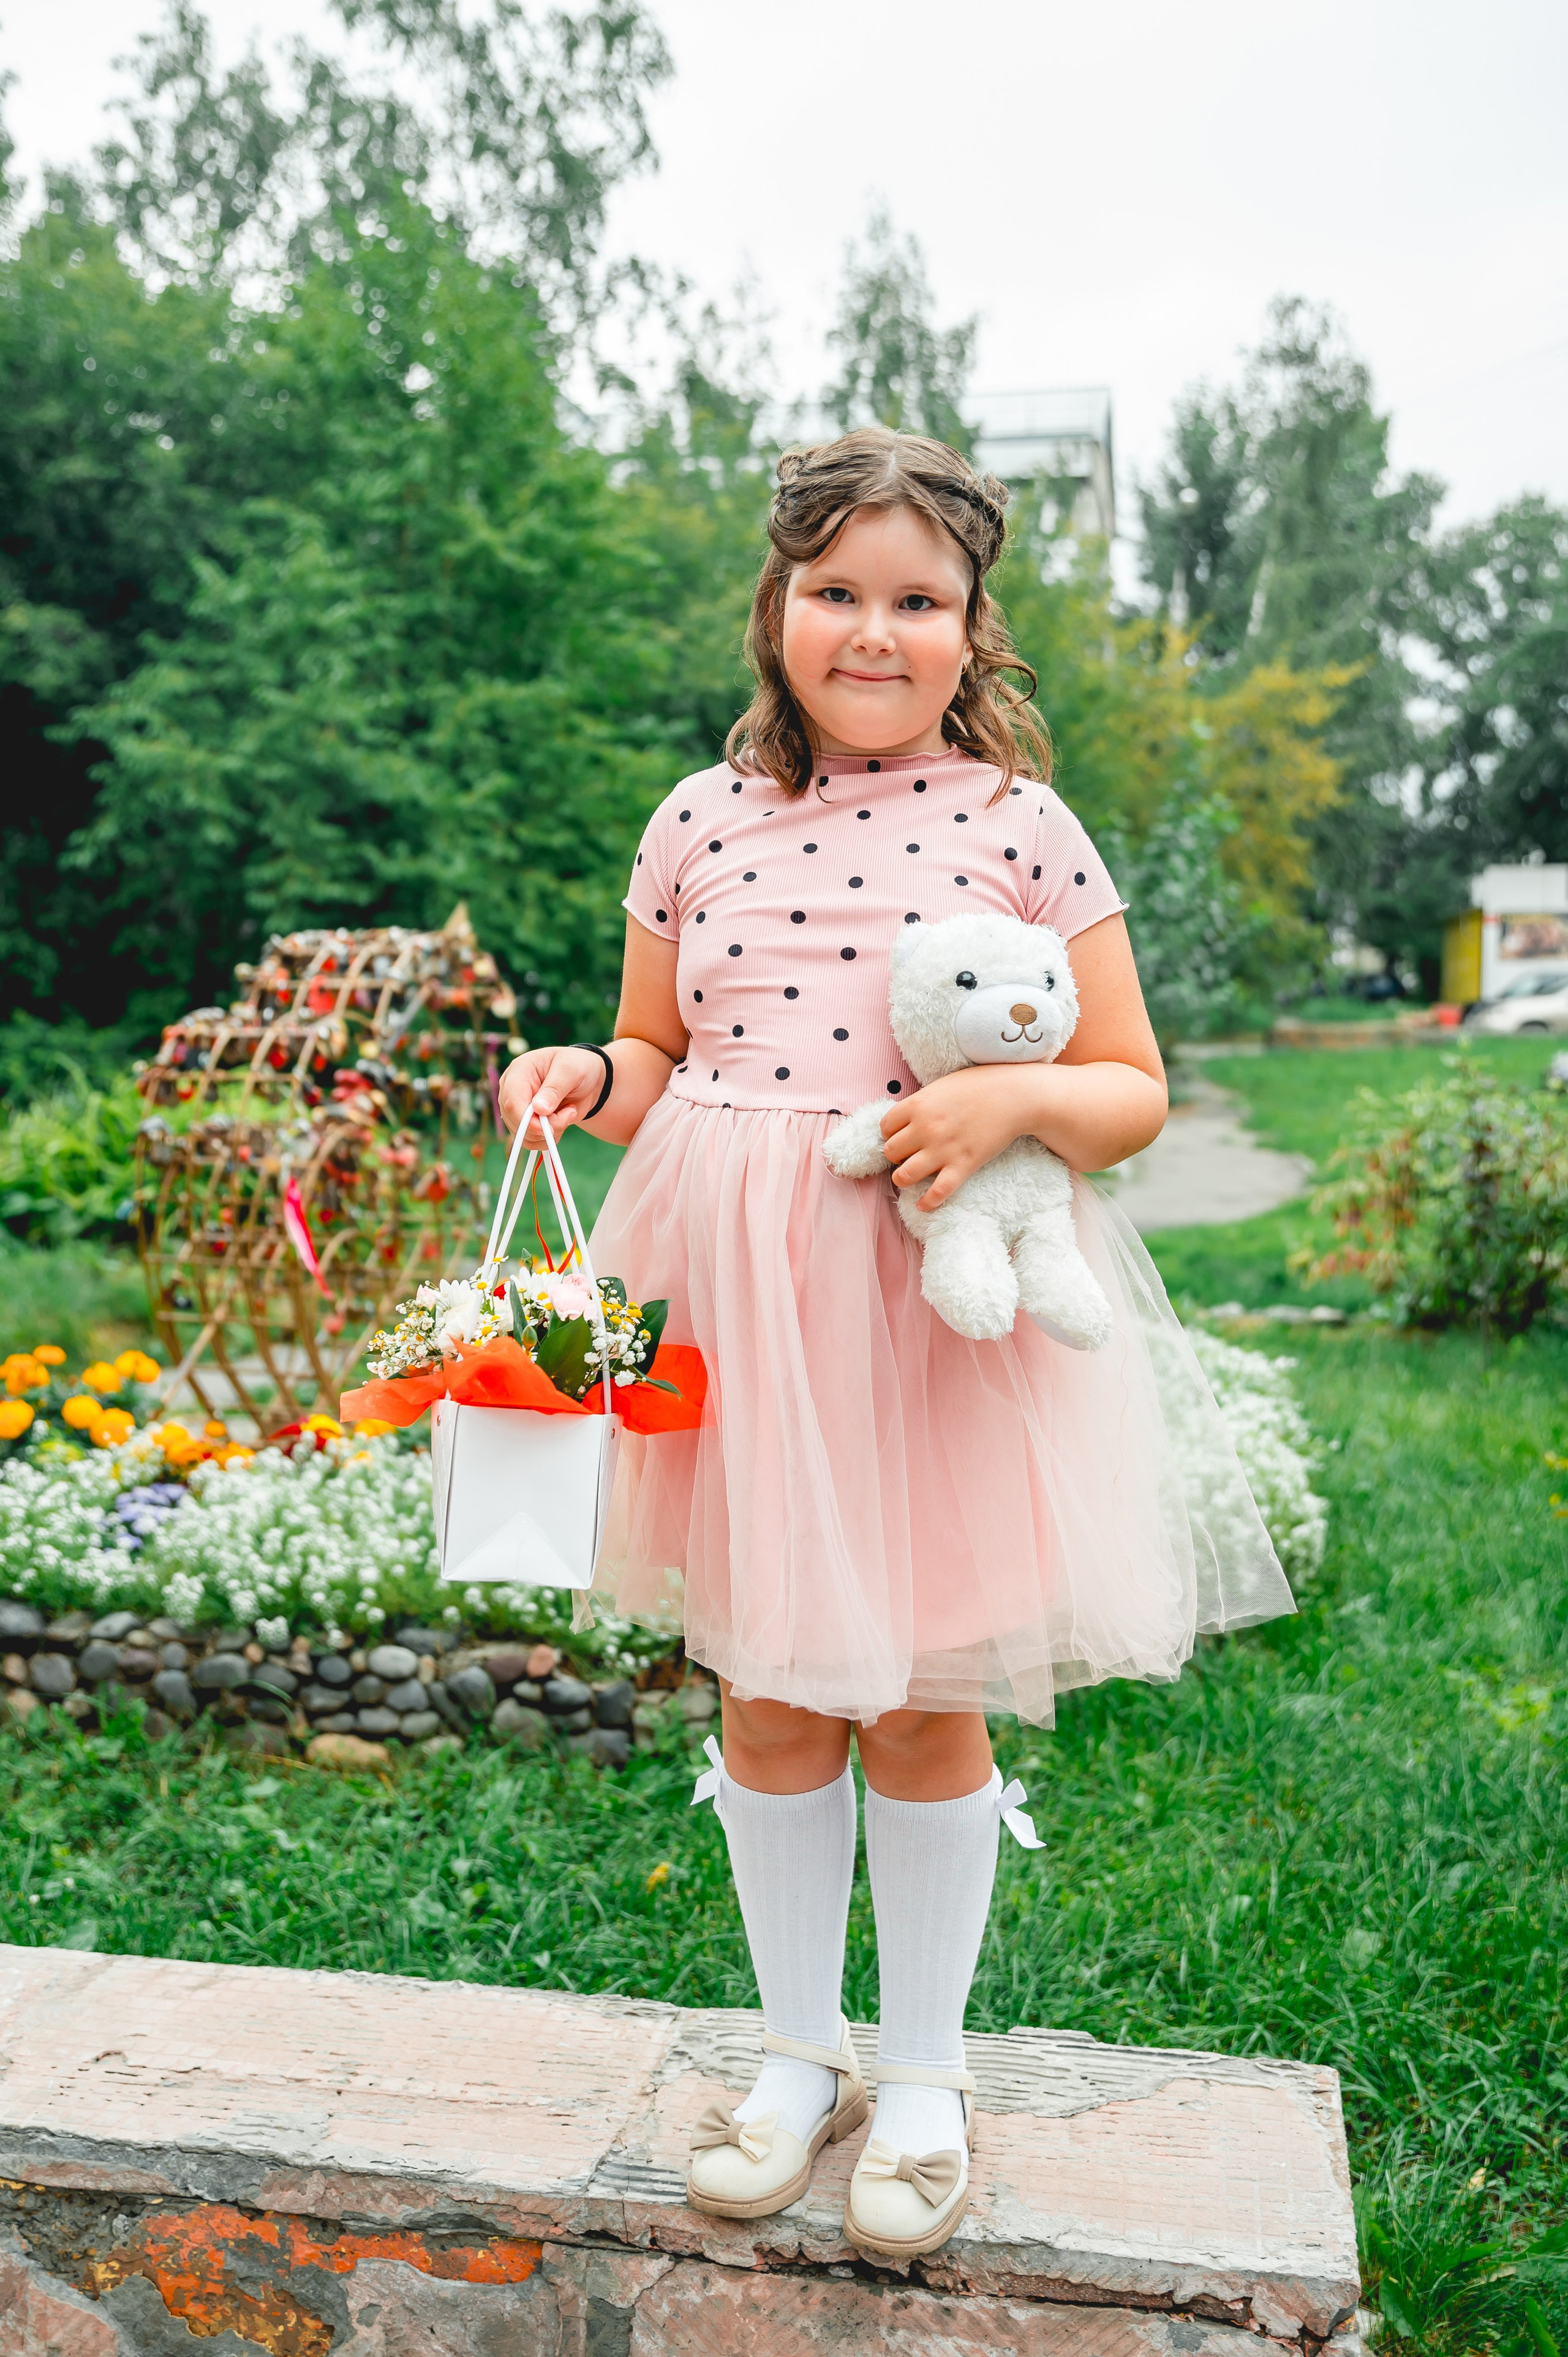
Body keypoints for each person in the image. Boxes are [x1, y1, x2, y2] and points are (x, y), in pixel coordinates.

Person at [498, 426, 1294, 2260]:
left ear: (971, 625)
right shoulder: (697, 820)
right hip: (748, 1307)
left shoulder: (1021, 826)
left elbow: (1132, 1087)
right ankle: (801, 2057)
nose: (875, 632)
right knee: (772, 1693)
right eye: (837, 592)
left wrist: (1016, 1101)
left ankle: (925, 2075)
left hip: (935, 1314)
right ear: (776, 607)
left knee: (928, 1696)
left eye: (918, 601)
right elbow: (660, 1057)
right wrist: (583, 1073)